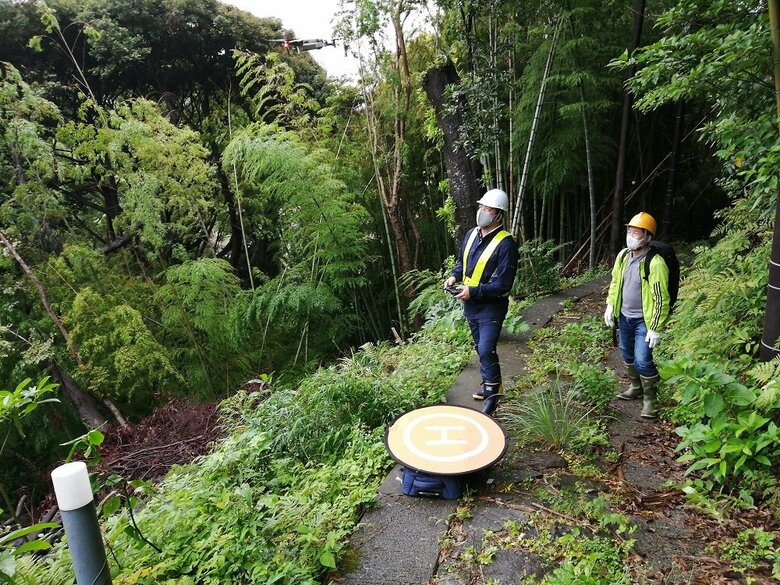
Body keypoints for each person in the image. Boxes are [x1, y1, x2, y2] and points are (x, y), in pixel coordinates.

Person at [444, 188, 518, 416]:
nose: (482, 212)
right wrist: (454, 276)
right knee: (480, 347)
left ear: (499, 215)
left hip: (491, 306)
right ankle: (490, 383)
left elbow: (503, 284)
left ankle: (493, 393)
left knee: (486, 348)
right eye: (481, 207)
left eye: (488, 209)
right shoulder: (471, 234)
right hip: (470, 304)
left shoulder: (506, 244)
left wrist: (473, 291)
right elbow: (462, 262)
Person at [604, 212, 670, 419]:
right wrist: (609, 305)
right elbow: (615, 282)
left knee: (643, 359)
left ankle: (650, 399)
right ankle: (636, 387)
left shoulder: (655, 263)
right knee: (626, 354)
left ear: (648, 237)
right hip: (624, 317)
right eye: (629, 231)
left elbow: (661, 298)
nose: (631, 236)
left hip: (644, 320)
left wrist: (655, 328)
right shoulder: (623, 256)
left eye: (636, 233)